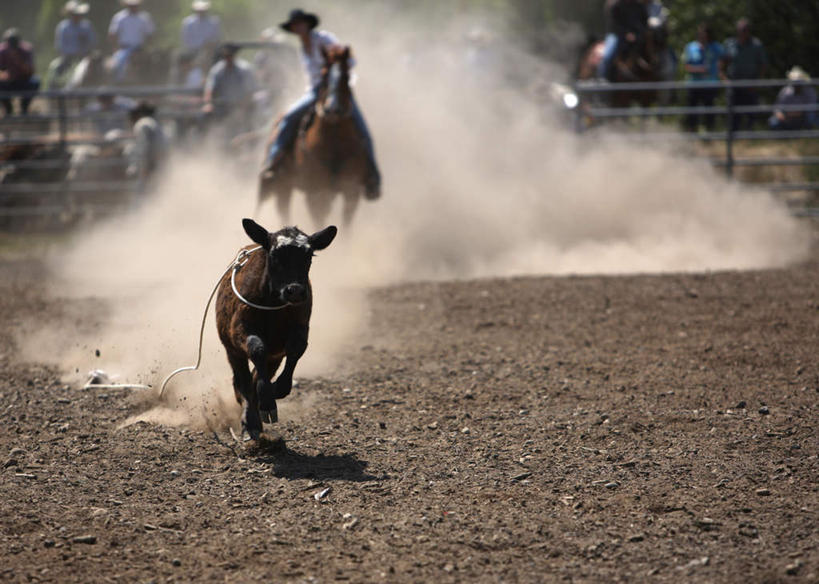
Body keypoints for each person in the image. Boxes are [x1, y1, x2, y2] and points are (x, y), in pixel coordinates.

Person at [261, 9, 380, 194]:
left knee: (362, 130)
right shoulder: (302, 47)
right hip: (316, 92)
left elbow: (349, 61)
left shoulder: (324, 39)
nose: (298, 27)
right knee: (287, 119)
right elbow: (310, 78)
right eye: (295, 25)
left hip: (339, 90)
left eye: (301, 23)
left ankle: (372, 176)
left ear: (308, 24)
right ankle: (274, 163)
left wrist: (337, 59)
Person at [720, 18, 767, 131]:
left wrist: (757, 82)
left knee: (750, 112)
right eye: (741, 30)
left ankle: (749, 137)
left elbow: (763, 65)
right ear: (737, 31)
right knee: (733, 113)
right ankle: (732, 139)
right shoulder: (729, 44)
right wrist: (724, 79)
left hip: (750, 83)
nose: (743, 32)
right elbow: (721, 63)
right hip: (734, 83)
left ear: (748, 31)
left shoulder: (756, 45)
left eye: (745, 30)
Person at [681, 23, 723, 132]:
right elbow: (686, 65)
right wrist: (701, 70)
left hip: (710, 84)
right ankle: (691, 132)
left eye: (704, 33)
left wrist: (719, 70)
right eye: (700, 33)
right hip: (694, 84)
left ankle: (710, 133)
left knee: (710, 110)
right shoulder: (691, 47)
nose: (702, 36)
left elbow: (726, 58)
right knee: (692, 111)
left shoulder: (716, 47)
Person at [202, 43, 258, 120]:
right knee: (205, 115)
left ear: (234, 55)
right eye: (225, 56)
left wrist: (242, 107)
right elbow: (209, 89)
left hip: (242, 104)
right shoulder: (217, 70)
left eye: (230, 56)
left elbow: (250, 92)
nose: (228, 58)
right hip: (223, 106)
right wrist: (208, 104)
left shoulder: (244, 69)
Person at [598, 0, 648, 81]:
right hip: (616, 35)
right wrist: (626, 34)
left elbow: (644, 23)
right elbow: (614, 24)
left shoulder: (640, 6)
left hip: (637, 37)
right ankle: (603, 78)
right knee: (607, 56)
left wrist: (636, 34)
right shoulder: (616, 5)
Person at [108, 0, 155, 82]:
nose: (133, 7)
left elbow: (150, 34)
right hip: (124, 48)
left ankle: (152, 82)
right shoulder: (119, 17)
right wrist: (114, 48)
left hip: (140, 49)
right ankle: (118, 82)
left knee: (154, 64)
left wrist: (150, 47)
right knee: (118, 64)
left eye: (135, 5)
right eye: (131, 5)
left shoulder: (144, 17)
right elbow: (113, 34)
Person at [0, 29, 40, 116]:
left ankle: (24, 108)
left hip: (23, 80)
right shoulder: (2, 51)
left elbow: (31, 71)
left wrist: (18, 60)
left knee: (35, 82)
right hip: (8, 82)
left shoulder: (26, 50)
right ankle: (8, 110)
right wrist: (3, 75)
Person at [126, 101, 167, 182]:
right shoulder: (154, 123)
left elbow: (144, 146)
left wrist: (140, 166)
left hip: (151, 161)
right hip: (160, 159)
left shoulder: (142, 123)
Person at [53, 2, 97, 76]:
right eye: (75, 14)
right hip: (68, 57)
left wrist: (87, 50)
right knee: (59, 72)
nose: (77, 16)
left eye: (79, 14)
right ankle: (57, 84)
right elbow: (60, 45)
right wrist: (70, 53)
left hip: (84, 57)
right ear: (70, 14)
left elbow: (92, 41)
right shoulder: (64, 27)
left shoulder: (86, 26)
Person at [769, 67, 817, 131]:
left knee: (811, 116)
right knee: (773, 121)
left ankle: (808, 131)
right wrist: (780, 114)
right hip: (787, 117)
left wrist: (799, 112)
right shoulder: (786, 91)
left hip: (804, 116)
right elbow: (778, 107)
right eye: (795, 82)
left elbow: (812, 107)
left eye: (799, 82)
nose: (796, 84)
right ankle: (783, 135)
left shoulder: (809, 91)